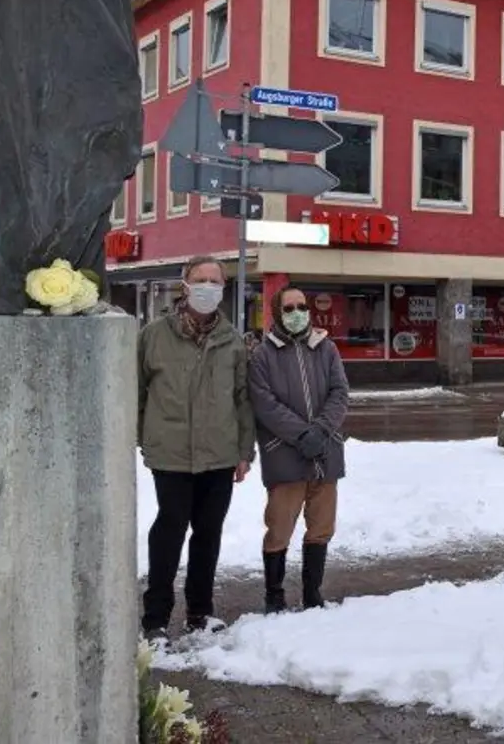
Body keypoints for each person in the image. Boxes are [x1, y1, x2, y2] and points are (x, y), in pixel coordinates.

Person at [138, 256, 255, 639]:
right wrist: (145, 437)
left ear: (224, 288)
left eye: (215, 281)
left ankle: (200, 613)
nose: (207, 286)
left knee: (208, 533)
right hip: (170, 454)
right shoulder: (154, 335)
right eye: (200, 279)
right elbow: (135, 393)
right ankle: (155, 618)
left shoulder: (232, 340)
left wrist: (243, 451)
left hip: (219, 455)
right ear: (184, 284)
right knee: (169, 531)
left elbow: (243, 400)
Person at [249, 285, 350, 613]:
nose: (296, 313)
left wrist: (320, 431)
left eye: (301, 306)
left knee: (322, 527)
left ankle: (312, 592)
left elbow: (340, 393)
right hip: (285, 455)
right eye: (289, 308)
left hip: (325, 454)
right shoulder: (263, 354)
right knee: (279, 527)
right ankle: (274, 594)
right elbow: (265, 404)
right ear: (277, 312)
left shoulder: (327, 348)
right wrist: (300, 434)